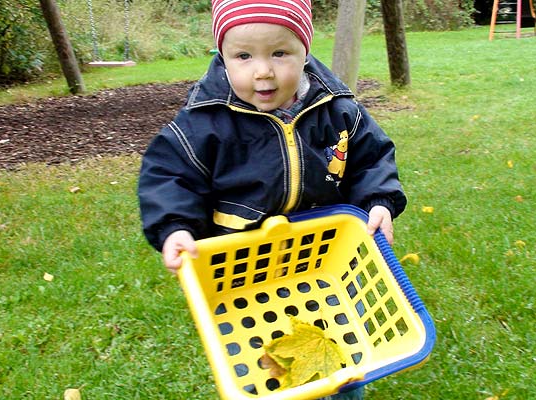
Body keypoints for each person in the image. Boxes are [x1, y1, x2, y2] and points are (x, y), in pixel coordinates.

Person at [138, 1, 406, 399]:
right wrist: (174, 227)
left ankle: (344, 390)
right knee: (262, 360)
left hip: (324, 265)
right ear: (222, 56)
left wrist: (379, 200)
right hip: (244, 274)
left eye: (279, 53)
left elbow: (371, 159)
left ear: (305, 51)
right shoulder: (203, 122)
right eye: (243, 56)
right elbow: (170, 176)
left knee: (339, 350)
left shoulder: (338, 110)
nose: (262, 71)